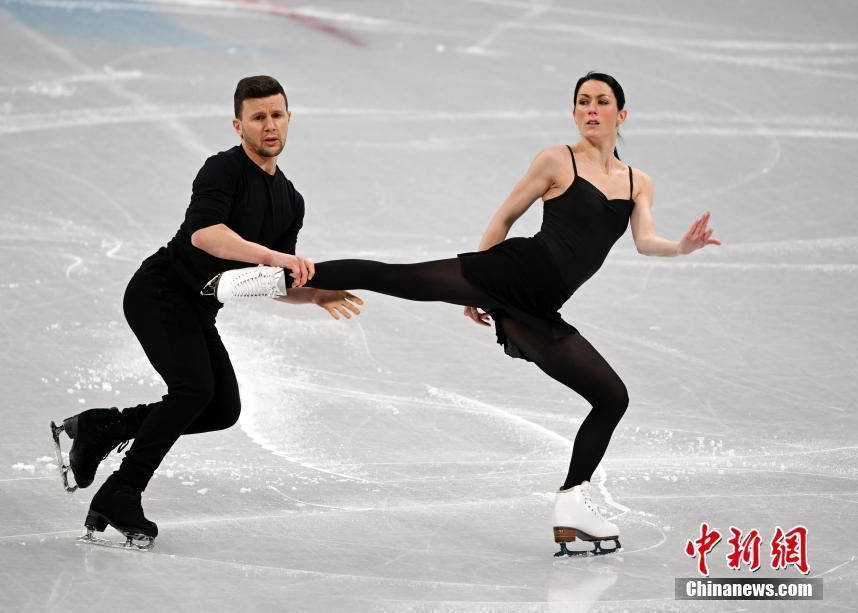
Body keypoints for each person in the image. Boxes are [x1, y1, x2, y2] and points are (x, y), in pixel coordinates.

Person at [210, 72, 720, 556]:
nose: (591, 109)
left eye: (601, 102)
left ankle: (572, 502)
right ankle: (272, 278)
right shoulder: (557, 160)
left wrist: (682, 247)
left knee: (611, 397)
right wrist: (478, 278)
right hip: (507, 272)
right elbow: (505, 216)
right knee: (392, 275)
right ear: (573, 112)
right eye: (583, 101)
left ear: (621, 114)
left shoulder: (637, 183)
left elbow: (646, 240)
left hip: (539, 310)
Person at [49, 75, 364, 548]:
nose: (269, 125)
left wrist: (313, 294)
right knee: (193, 389)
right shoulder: (222, 170)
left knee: (221, 408)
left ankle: (102, 426)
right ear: (239, 125)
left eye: (277, 114)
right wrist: (275, 257)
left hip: (198, 309)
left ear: (289, 119)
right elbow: (205, 235)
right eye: (258, 117)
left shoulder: (290, 201)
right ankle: (122, 492)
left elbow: (271, 283)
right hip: (159, 292)